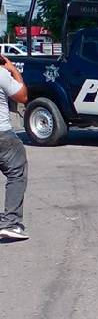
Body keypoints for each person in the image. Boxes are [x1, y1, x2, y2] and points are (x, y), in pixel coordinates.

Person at [0, 57, 29, 241]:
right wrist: (14, 71)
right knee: (16, 172)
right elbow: (22, 96)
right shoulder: (2, 74)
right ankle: (10, 223)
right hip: (2, 134)